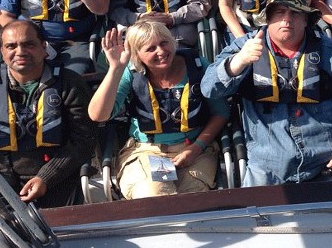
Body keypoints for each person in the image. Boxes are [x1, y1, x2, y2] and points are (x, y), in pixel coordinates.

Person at [202, 0, 332, 187]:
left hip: (328, 160)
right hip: (268, 166)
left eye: (295, 13)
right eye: (279, 12)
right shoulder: (245, 46)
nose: (287, 20)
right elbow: (209, 88)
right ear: (268, 17)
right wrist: (238, 62)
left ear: (307, 19)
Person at [0, 20, 96, 207]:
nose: (20, 51)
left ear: (44, 47)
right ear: (2, 52)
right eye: (11, 46)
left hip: (57, 177)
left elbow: (84, 141)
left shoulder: (69, 83)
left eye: (28, 44)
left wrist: (46, 178)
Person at [88, 20, 229, 198]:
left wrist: (197, 147)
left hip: (195, 149)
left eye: (164, 43)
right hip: (148, 150)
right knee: (155, 195)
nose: (161, 52)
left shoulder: (198, 65)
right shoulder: (130, 72)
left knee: (192, 199)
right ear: (137, 55)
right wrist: (115, 68)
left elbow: (220, 112)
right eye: (151, 48)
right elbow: (98, 115)